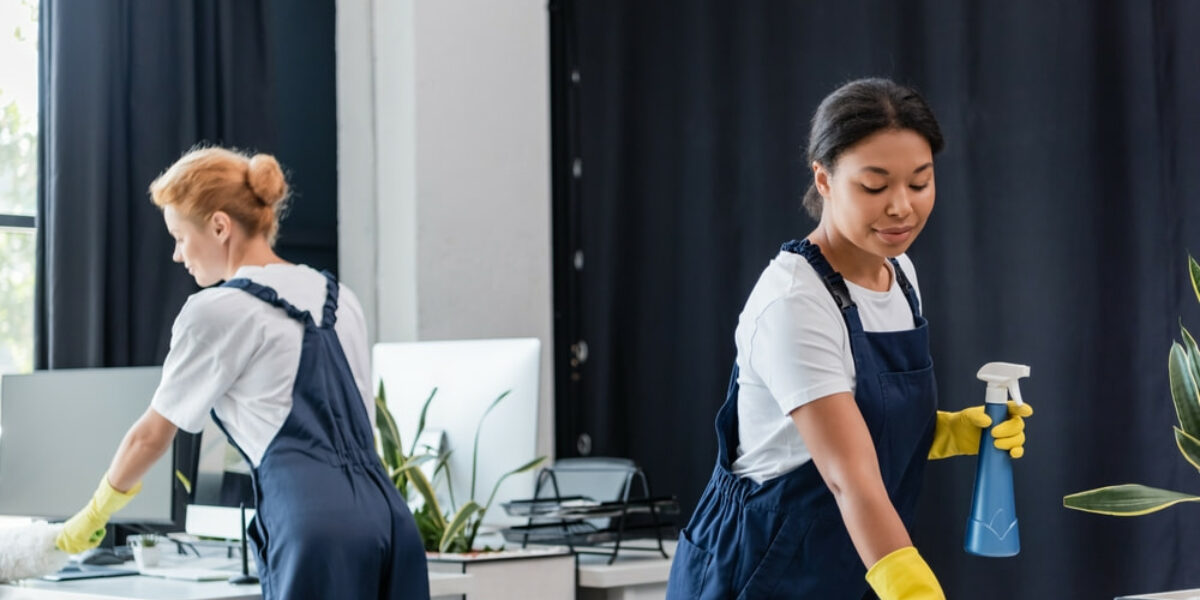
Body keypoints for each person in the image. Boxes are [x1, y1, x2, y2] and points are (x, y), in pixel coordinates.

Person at [664, 78, 1033, 599]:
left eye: (920, 182)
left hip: (846, 561)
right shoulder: (795, 303)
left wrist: (947, 432)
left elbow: (865, 423)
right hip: (761, 569)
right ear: (825, 179)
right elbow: (846, 477)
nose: (901, 207)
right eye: (875, 186)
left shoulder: (898, 273)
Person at [53, 147, 430, 599]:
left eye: (179, 236)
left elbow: (150, 436)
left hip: (314, 526)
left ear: (218, 226)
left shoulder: (217, 311)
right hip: (388, 516)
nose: (177, 255)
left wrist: (93, 515)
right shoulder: (340, 296)